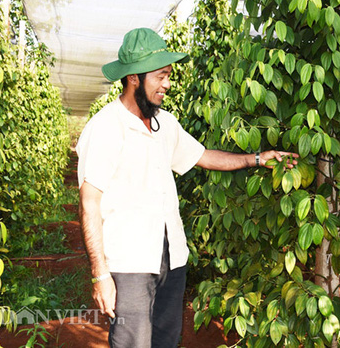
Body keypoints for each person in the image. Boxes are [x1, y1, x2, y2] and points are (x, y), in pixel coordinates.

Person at [76, 27, 297, 348]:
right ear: (134, 78)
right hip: (130, 263)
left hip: (171, 256)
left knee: (166, 339)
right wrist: (101, 275)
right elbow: (89, 202)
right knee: (132, 342)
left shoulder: (164, 123)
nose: (167, 84)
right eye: (161, 76)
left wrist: (259, 158)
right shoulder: (106, 127)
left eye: (169, 76)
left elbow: (203, 156)